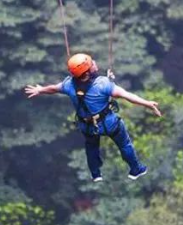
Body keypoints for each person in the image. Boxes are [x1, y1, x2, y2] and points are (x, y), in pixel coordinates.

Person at [24, 53, 162, 183]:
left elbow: (53, 89)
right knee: (124, 144)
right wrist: (147, 103)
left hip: (88, 126)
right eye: (92, 64)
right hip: (109, 123)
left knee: (91, 147)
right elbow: (127, 95)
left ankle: (95, 174)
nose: (95, 63)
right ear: (87, 72)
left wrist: (40, 90)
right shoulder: (103, 84)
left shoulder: (69, 85)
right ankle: (135, 169)